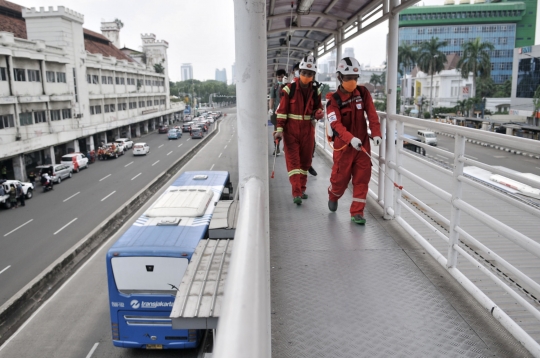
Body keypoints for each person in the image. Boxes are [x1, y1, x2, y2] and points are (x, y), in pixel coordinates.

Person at [326, 57, 382, 225]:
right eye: (348, 78)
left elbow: (372, 114)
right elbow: (335, 124)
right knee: (340, 180)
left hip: (363, 145)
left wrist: (377, 133)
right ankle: (333, 194)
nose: (352, 81)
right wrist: (350, 139)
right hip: (344, 147)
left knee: (362, 178)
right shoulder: (333, 100)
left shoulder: (363, 93)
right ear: (339, 78)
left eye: (355, 78)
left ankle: (357, 212)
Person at [274, 55, 324, 205]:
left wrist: (319, 113)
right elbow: (282, 111)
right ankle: (296, 192)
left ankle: (302, 189)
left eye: (309, 74)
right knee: (294, 162)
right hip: (291, 130)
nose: (306, 76)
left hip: (308, 130)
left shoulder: (316, 91)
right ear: (299, 72)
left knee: (305, 162)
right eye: (304, 73)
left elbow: (318, 108)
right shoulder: (289, 89)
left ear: (314, 75)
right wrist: (279, 130)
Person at [268, 69, 287, 156]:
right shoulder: (274, 87)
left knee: (288, 131)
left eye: (282, 77)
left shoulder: (289, 86)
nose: (280, 79)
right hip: (277, 113)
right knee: (276, 131)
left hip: (287, 112)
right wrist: (271, 109)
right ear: (276, 77)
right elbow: (272, 99)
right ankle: (277, 148)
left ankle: (286, 147)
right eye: (279, 77)